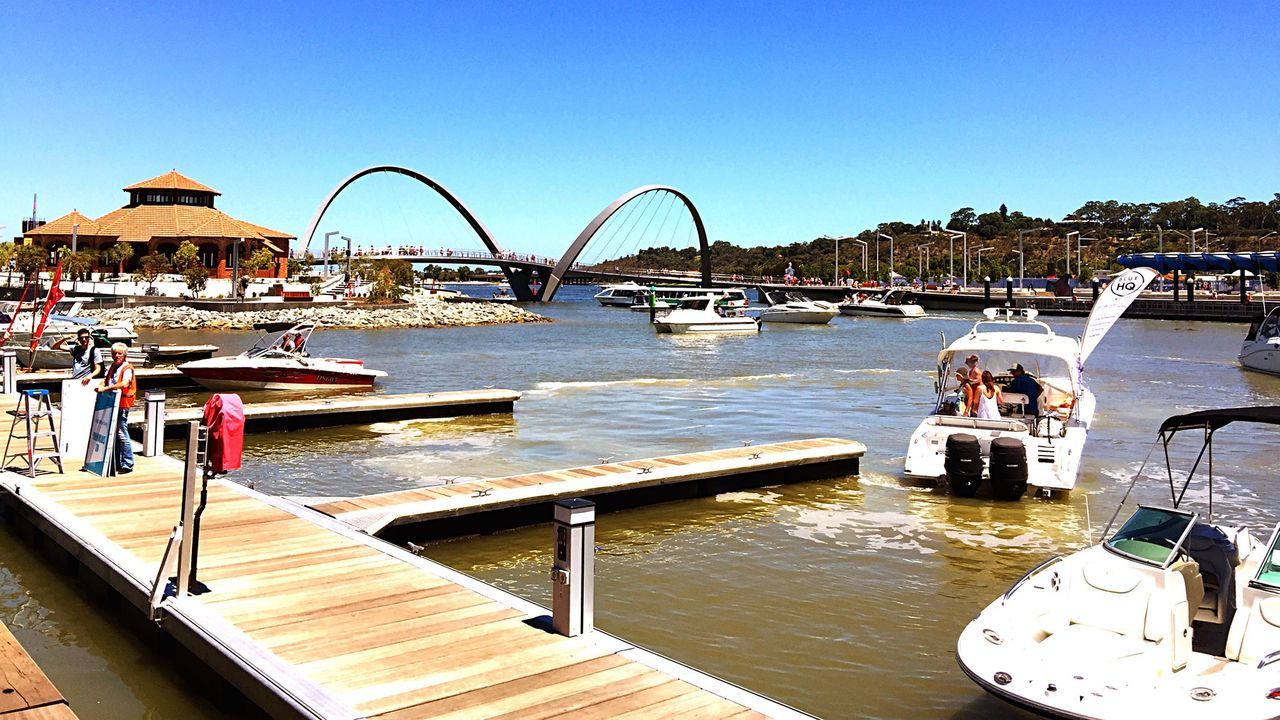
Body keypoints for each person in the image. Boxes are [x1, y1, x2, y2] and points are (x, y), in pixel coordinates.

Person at [96, 342, 136, 474]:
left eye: (119, 353)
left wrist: (106, 388)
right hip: (112, 403)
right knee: (114, 433)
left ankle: (127, 463)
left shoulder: (127, 368)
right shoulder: (112, 366)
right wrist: (101, 384)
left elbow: (125, 383)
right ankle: (117, 461)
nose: (116, 355)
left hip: (122, 404)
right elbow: (106, 379)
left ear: (124, 354)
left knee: (121, 433)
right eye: (114, 353)